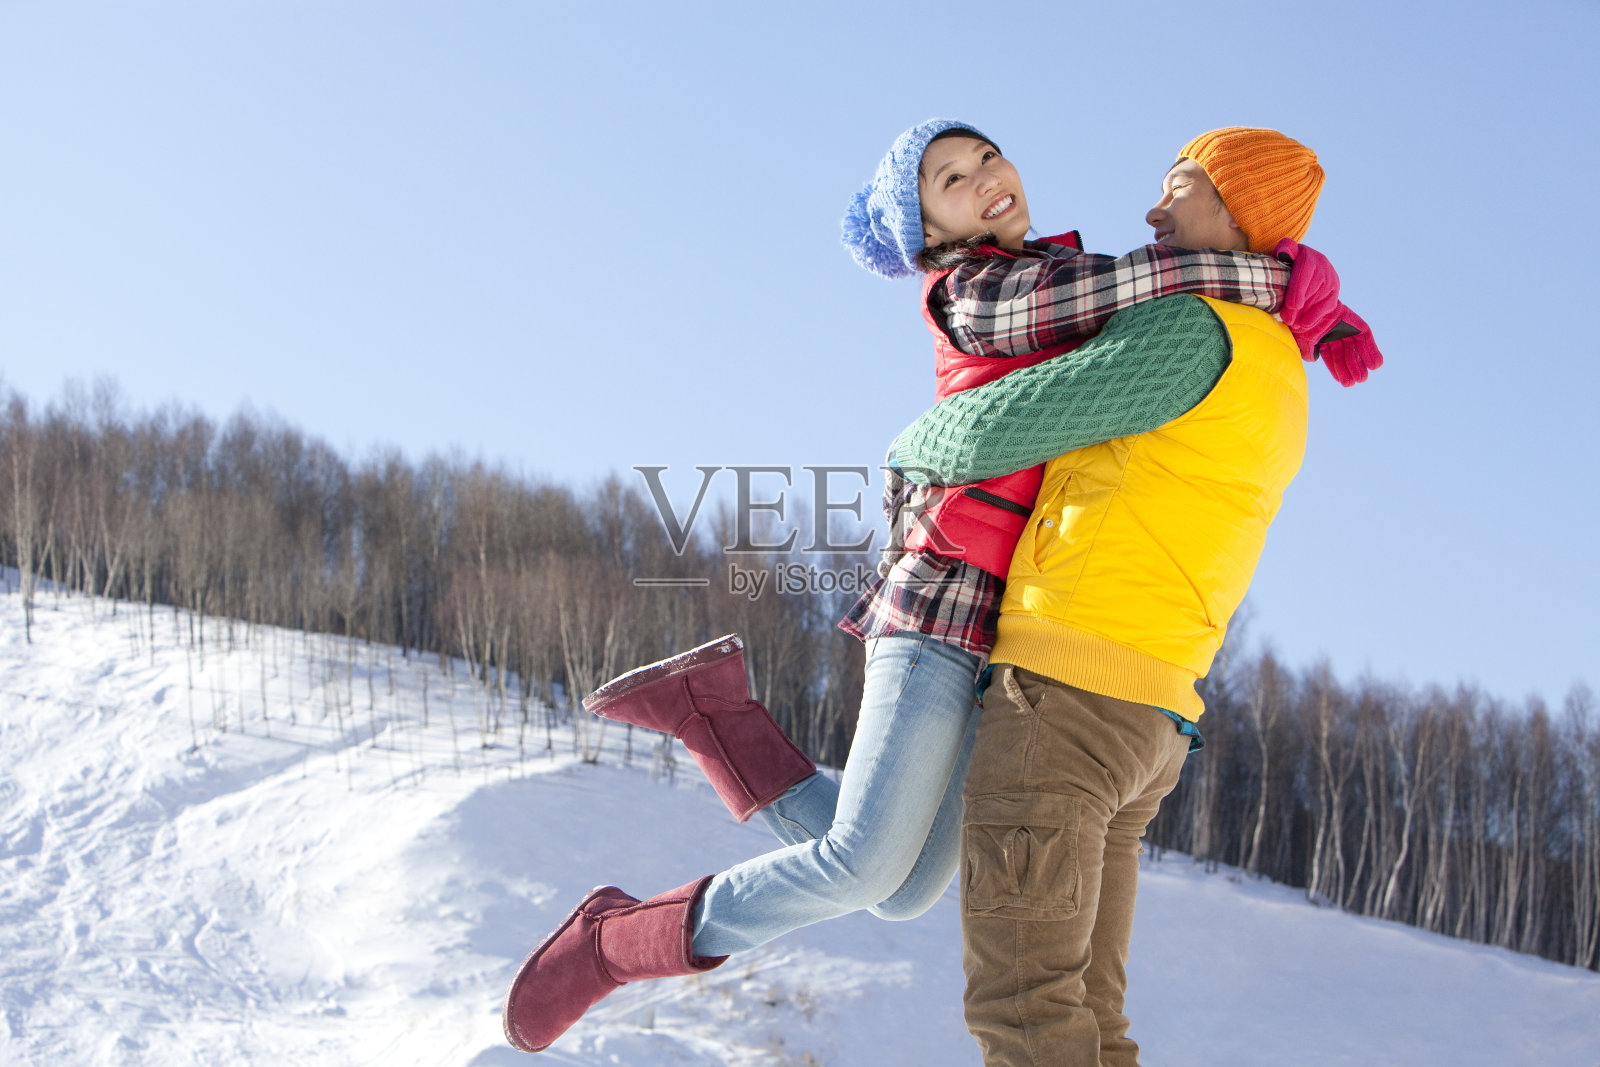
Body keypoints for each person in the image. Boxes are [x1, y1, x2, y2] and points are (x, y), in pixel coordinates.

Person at [498, 120, 1371, 1055]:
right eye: (951, 179)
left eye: (987, 156)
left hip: (1007, 629)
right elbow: (1144, 283)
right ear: (930, 236)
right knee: (862, 863)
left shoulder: (1057, 275)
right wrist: (1282, 280)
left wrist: (1286, 286)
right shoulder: (977, 290)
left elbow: (1146, 293)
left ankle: (713, 717)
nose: (983, 177)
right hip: (941, 602)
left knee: (904, 886)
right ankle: (615, 941)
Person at [888, 127, 1381, 1065]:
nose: (1152, 210)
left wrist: (910, 446)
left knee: (1025, 1012)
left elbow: (986, 429)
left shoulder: (1193, 329)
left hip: (1067, 700)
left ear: (1234, 216)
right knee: (1090, 1019)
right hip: (1148, 715)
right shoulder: (1280, 362)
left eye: (1179, 188)